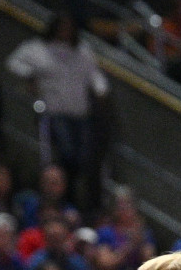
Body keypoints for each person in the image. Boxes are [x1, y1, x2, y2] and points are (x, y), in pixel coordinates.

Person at [6, 13, 107, 199]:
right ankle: (62, 192)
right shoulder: (37, 49)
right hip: (55, 111)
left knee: (83, 158)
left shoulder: (82, 51)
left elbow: (96, 76)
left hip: (79, 112)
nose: (65, 32)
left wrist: (101, 91)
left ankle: (71, 193)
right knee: (66, 153)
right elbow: (13, 63)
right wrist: (31, 76)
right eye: (62, 27)